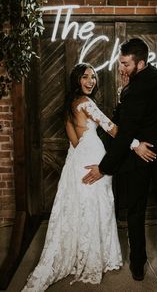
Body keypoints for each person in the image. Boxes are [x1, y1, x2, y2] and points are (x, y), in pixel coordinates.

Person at [21, 63, 124, 291]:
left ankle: (82, 253)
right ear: (76, 80)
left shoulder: (69, 106)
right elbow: (112, 129)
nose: (91, 81)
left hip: (77, 161)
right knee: (98, 207)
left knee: (80, 208)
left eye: (93, 77)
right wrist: (135, 143)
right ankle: (96, 256)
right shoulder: (87, 103)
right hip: (95, 161)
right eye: (85, 77)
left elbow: (75, 143)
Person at [83, 38, 157, 281]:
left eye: (125, 63)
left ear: (140, 62)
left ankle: (137, 264)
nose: (121, 68)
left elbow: (124, 130)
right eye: (120, 62)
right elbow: (135, 118)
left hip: (144, 157)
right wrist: (123, 91)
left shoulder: (136, 88)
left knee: (136, 209)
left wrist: (104, 168)